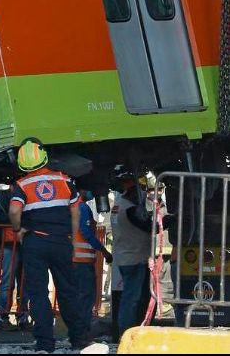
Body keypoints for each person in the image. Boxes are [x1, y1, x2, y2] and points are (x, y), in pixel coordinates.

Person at [9, 139, 88, 353]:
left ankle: (45, 343)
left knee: (38, 293)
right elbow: (75, 212)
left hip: (35, 242)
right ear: (44, 156)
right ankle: (78, 339)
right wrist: (70, 236)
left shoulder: (22, 185)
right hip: (61, 241)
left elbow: (15, 211)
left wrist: (18, 230)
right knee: (68, 291)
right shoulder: (63, 180)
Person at [111, 173, 167, 339]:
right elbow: (148, 227)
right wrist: (166, 221)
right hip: (133, 258)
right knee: (131, 299)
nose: (142, 196)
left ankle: (131, 330)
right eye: (140, 192)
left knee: (136, 297)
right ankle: (126, 334)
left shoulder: (118, 205)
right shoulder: (129, 209)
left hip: (126, 256)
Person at [73, 190, 113, 336]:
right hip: (82, 260)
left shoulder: (71, 206)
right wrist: (103, 250)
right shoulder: (82, 207)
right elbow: (86, 232)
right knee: (86, 295)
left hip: (75, 259)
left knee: (79, 295)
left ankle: (79, 328)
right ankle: (83, 329)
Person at [0, 186, 29, 331]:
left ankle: (22, 316)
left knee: (24, 282)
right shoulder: (4, 196)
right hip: (9, 243)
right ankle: (2, 316)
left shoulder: (26, 192)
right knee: (8, 281)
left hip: (25, 242)